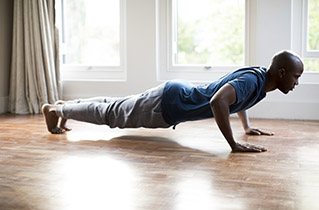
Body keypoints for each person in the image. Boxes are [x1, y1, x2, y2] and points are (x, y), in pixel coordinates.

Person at [42, 50, 304, 153]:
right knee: (111, 114)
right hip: (167, 105)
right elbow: (218, 101)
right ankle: (57, 110)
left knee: (114, 103)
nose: (296, 82)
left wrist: (246, 127)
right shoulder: (254, 81)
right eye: (296, 76)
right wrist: (233, 144)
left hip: (172, 97)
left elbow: (238, 99)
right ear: (281, 73)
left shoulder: (259, 79)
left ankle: (66, 105)